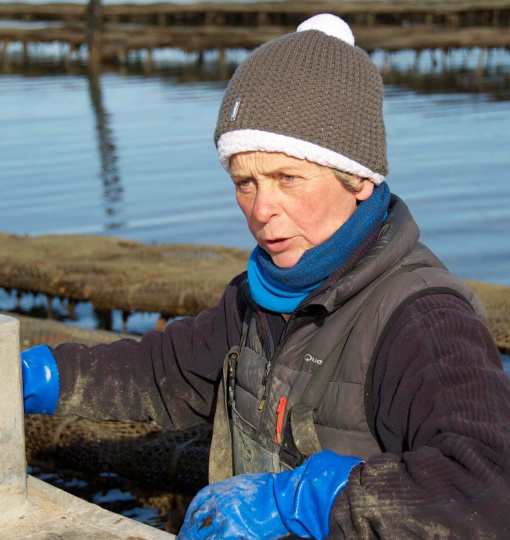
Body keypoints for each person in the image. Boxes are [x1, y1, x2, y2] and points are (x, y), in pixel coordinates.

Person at [21, 14, 510, 539]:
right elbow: (160, 371)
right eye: (245, 182)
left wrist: (304, 500)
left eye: (286, 178)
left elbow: (484, 488)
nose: (261, 209)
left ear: (360, 178)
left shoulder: (424, 319)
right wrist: (37, 376)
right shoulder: (256, 300)